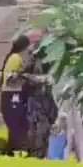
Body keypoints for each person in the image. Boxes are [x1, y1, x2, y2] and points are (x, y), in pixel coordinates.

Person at [23, 30, 58, 158]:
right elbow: (25, 74)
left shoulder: (53, 54)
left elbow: (51, 78)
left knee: (46, 130)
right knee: (36, 130)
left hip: (49, 98)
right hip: (36, 100)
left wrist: (32, 78)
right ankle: (37, 157)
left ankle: (43, 156)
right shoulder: (32, 56)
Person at [0, 34, 32, 154]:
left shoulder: (14, 57)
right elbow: (9, 79)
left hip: (12, 95)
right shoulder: (16, 58)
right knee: (17, 126)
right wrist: (24, 77)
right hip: (12, 95)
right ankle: (15, 151)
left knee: (16, 127)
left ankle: (11, 151)